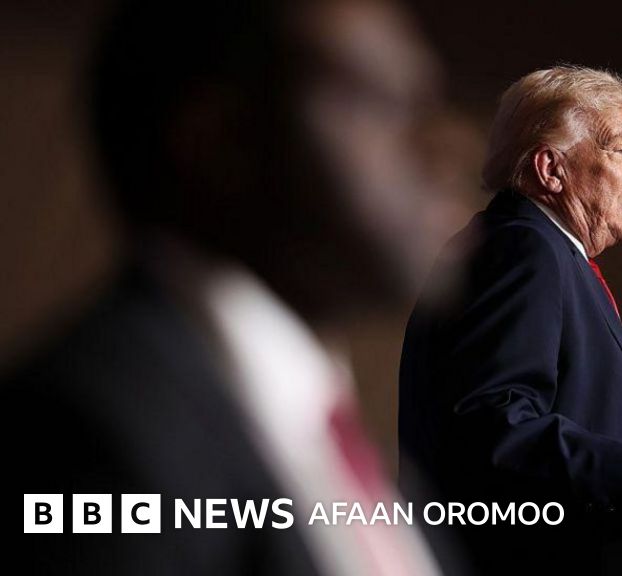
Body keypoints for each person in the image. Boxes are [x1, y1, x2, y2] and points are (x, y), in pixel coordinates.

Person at [7, 1, 449, 574]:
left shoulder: (367, 470)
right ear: (218, 139)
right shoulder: (85, 435)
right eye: (380, 103)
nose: (444, 148)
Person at [399, 65, 622, 573]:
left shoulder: (550, 251)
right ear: (551, 169)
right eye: (620, 148)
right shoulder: (521, 246)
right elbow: (491, 421)